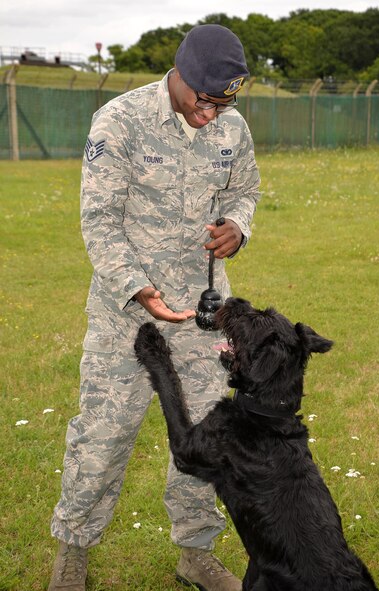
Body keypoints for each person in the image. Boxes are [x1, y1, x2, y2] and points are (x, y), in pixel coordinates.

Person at [48, 24, 260, 591]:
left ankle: (195, 551)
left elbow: (245, 191)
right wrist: (140, 289)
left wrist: (238, 226)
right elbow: (99, 220)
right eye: (203, 100)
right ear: (181, 75)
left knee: (206, 433)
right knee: (103, 433)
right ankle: (72, 553)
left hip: (201, 313)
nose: (211, 114)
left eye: (224, 103)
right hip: (128, 312)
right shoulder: (120, 120)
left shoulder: (231, 126)